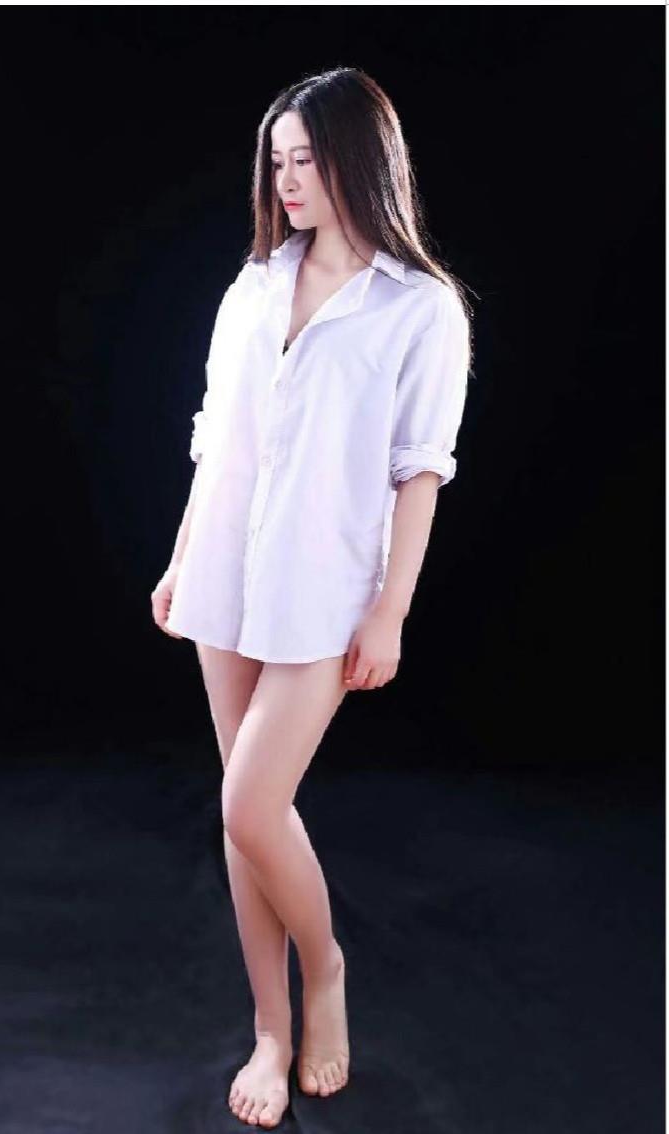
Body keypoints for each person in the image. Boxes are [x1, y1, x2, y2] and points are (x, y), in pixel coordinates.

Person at [151, 66, 475, 1129]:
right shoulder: (252, 287)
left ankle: (324, 969)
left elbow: (418, 471)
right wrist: (182, 557)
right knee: (246, 818)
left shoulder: (420, 308)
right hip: (224, 569)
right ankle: (270, 1030)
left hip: (323, 585)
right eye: (278, 161)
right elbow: (216, 438)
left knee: (252, 802)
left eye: (307, 158)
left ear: (359, 160)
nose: (287, 180)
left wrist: (390, 611)